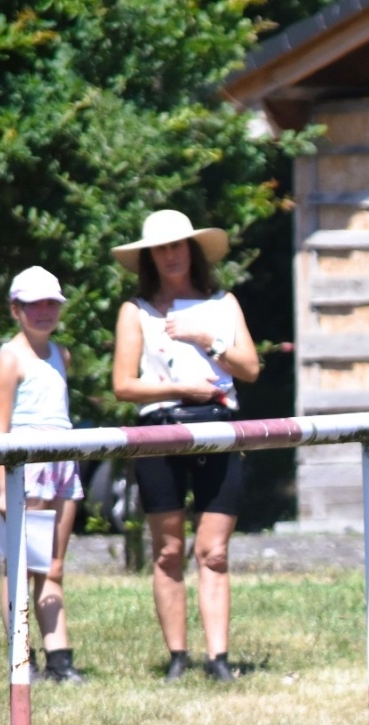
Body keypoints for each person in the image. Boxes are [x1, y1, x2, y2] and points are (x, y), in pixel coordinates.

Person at [110, 210, 260, 682]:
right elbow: (123, 385)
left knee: (213, 551)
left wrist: (205, 338)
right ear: (150, 257)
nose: (171, 255)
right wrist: (178, 391)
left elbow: (250, 368)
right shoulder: (136, 311)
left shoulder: (223, 303)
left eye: (178, 245)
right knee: (168, 550)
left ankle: (218, 659)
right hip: (160, 431)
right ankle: (178, 657)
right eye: (162, 248)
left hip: (218, 425)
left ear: (192, 251)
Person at [0, 267, 87, 683]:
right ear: (16, 310)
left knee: (53, 565)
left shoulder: (60, 354)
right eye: (34, 305)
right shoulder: (9, 359)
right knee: (21, 566)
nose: (45, 311)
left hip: (63, 463)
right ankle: (21, 656)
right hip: (26, 469)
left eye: (52, 303)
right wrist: (2, 491)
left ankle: (59, 658)